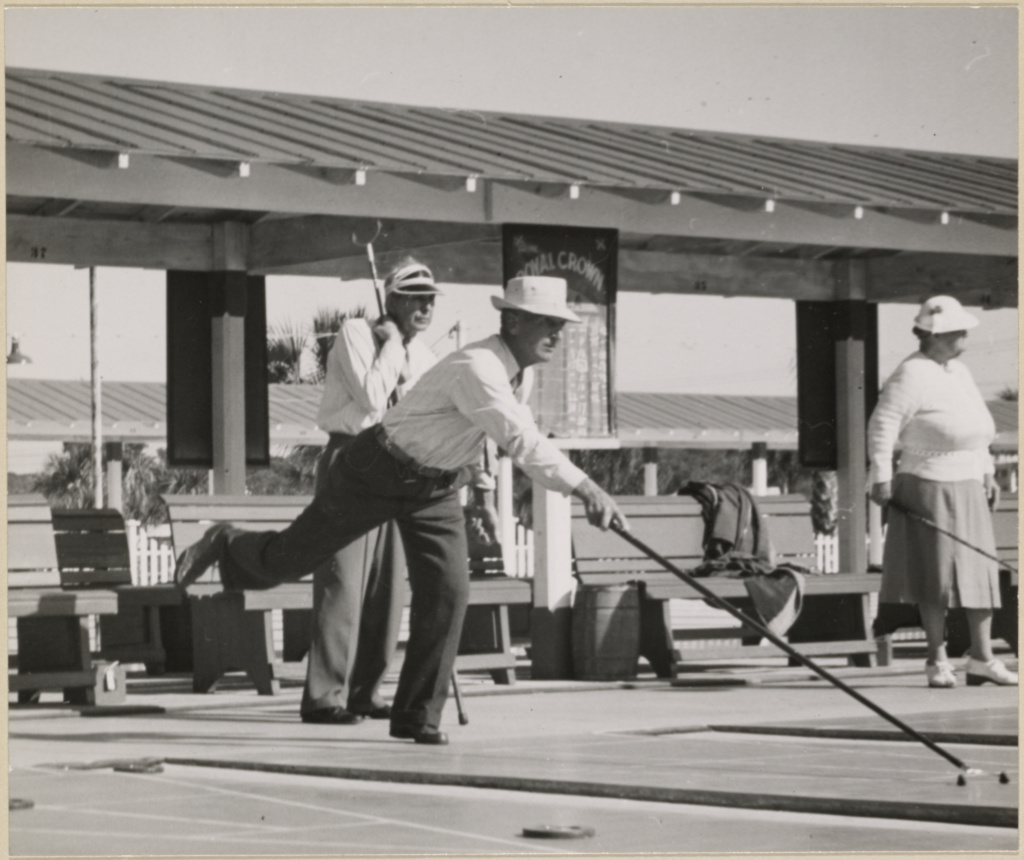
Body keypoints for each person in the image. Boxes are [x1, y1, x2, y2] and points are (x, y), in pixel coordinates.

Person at [176, 275, 628, 744]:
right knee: (292, 559)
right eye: (545, 323)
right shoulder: (478, 366)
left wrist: (485, 493)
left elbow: (486, 438)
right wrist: (587, 488)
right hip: (375, 469)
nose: (556, 334)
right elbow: (521, 439)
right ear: (512, 321)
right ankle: (227, 542)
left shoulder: (522, 375)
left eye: (560, 324)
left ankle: (416, 716)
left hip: (435, 487)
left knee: (449, 592)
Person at [301, 258, 441, 725]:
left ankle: (365, 691)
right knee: (343, 582)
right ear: (393, 298)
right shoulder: (356, 334)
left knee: (388, 584)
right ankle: (324, 696)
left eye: (430, 298)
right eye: (415, 296)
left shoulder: (426, 355)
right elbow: (373, 396)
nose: (425, 305)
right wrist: (393, 344)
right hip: (352, 458)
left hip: (398, 465)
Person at [868, 295, 1016, 689]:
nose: (965, 335)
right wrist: (881, 477)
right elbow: (882, 426)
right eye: (957, 330)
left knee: (980, 572)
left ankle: (982, 658)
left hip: (967, 481)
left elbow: (977, 430)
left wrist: (986, 472)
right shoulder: (911, 373)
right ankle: (937, 659)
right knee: (934, 574)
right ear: (935, 334)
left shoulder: (959, 371)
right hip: (925, 482)